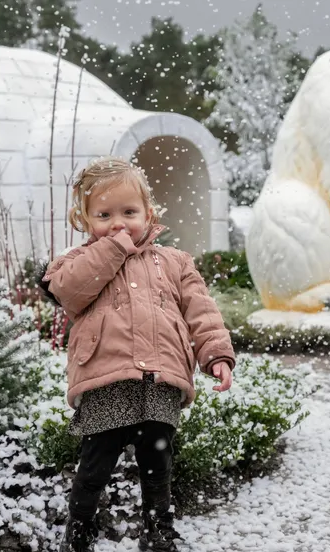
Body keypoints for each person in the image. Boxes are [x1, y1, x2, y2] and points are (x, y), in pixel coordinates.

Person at [39, 156, 236, 552]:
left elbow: (201, 310)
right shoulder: (77, 262)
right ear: (85, 220)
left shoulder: (175, 261)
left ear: (149, 213)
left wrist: (215, 354)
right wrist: (113, 249)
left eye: (129, 212)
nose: (118, 223)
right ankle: (78, 531)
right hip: (107, 379)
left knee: (157, 464)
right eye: (104, 214)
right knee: (95, 465)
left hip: (159, 378)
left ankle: (158, 530)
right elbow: (68, 291)